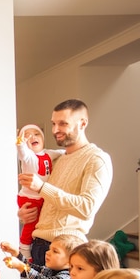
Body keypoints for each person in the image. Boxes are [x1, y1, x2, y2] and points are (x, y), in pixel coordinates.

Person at [18, 99, 113, 266]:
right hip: (38, 246)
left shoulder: (97, 159)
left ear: (82, 123)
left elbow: (87, 208)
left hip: (66, 250)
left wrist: (42, 187)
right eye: (53, 124)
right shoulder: (57, 159)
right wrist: (22, 215)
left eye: (62, 124)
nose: (55, 130)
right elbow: (48, 205)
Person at [15, 124, 64, 260]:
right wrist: (20, 143)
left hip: (42, 195)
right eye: (27, 135)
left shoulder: (49, 154)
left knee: (38, 220)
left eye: (36, 134)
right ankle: (24, 248)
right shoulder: (30, 157)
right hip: (29, 197)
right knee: (31, 223)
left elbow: (61, 152)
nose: (32, 137)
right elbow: (22, 152)